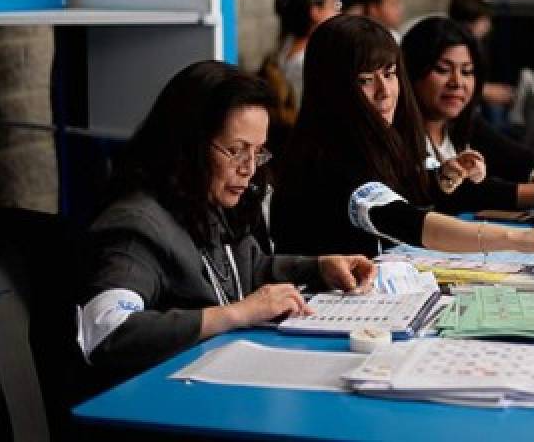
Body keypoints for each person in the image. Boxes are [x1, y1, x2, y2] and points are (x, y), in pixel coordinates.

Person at [77, 61, 376, 385]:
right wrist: (238, 313)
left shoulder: (202, 201)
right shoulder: (137, 228)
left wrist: (318, 268)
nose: (248, 168)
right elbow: (107, 328)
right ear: (188, 145)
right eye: (235, 151)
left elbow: (243, 269)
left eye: (257, 152)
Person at [271, 15, 534, 267]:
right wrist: (519, 238)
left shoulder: (376, 140)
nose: (384, 93)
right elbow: (406, 220)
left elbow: (416, 190)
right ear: (333, 88)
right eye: (365, 80)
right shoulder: (327, 157)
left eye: (388, 74)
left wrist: (441, 179)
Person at [402, 16, 534, 205]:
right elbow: (455, 194)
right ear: (412, 71)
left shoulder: (466, 126)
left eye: (467, 72)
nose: (457, 82)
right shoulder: (396, 136)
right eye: (443, 70)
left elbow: (525, 159)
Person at [263, 0, 341, 107]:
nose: (338, 13)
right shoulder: (308, 58)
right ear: (315, 12)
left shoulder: (287, 41)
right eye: (334, 6)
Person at [447, 0, 515, 110]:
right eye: (484, 20)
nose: (488, 26)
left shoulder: (478, 46)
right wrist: (486, 91)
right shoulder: (455, 48)